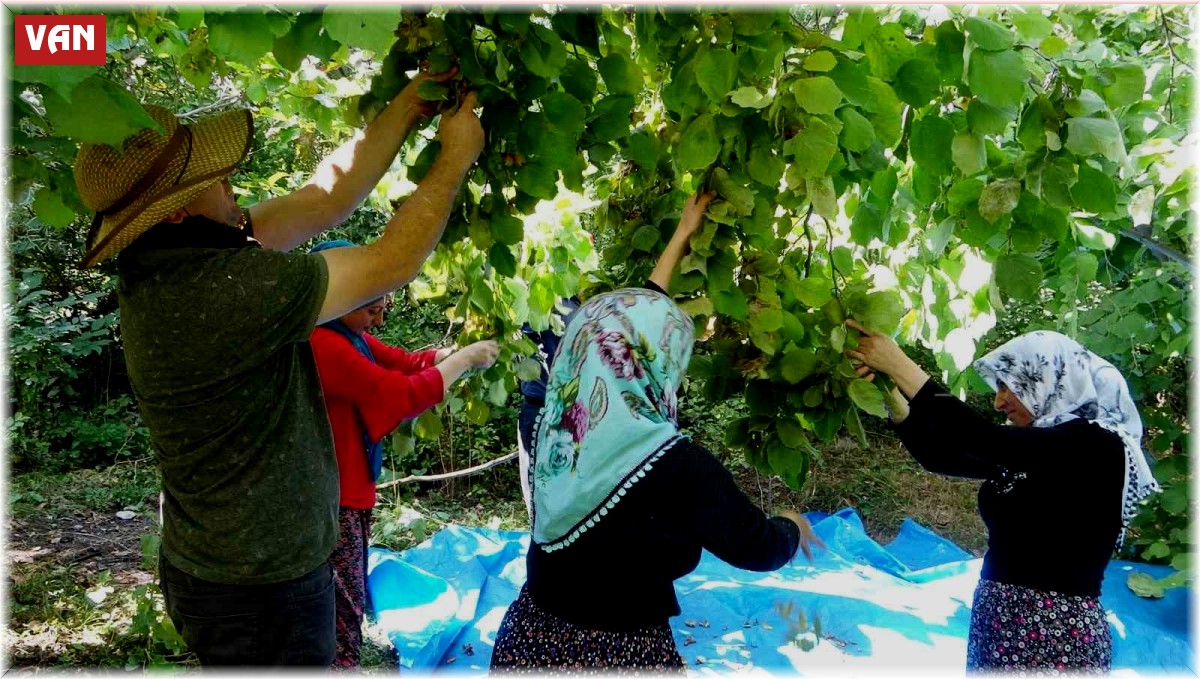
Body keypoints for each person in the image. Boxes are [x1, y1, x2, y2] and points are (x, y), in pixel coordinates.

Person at [71, 71, 484, 665]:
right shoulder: (223, 291)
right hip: (262, 592)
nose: (230, 182)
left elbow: (325, 198)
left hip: (224, 574)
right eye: (212, 178)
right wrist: (456, 158)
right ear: (176, 211)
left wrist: (407, 106)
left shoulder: (175, 260)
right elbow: (391, 261)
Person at [490, 192, 825, 672]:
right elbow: (756, 546)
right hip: (620, 655)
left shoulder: (561, 436)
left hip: (529, 639)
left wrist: (682, 235)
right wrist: (793, 527)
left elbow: (626, 324)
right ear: (659, 364)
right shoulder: (678, 467)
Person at [845, 322, 1160, 673]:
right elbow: (941, 457)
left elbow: (981, 438)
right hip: (1000, 620)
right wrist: (891, 393)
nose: (999, 402)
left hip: (1053, 633)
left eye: (1007, 386)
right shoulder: (1039, 446)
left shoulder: (1098, 446)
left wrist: (900, 365)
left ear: (1046, 378)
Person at [307, 239, 500, 668]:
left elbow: (404, 363)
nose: (377, 318)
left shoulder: (346, 333)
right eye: (370, 307)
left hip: (348, 492)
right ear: (339, 295)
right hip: (331, 500)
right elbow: (396, 394)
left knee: (345, 595)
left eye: (382, 307)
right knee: (342, 605)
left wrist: (444, 355)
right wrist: (463, 362)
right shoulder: (322, 344)